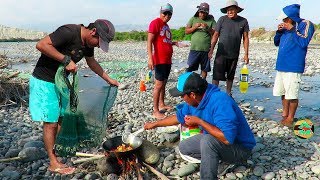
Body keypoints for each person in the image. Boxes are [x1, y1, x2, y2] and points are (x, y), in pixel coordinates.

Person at [29, 19, 120, 175]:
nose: (98, 45)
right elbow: (41, 45)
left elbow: (91, 62)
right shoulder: (69, 32)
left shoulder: (88, 44)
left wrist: (108, 79)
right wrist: (66, 60)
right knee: (50, 121)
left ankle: (56, 151)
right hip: (44, 80)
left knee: (62, 118)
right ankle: (53, 162)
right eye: (99, 41)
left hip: (61, 82)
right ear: (93, 32)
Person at [144, 72, 256, 179]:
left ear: (192, 94)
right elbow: (178, 118)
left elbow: (227, 139)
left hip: (240, 148)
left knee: (208, 141)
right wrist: (155, 124)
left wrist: (199, 122)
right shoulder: (194, 102)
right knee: (184, 147)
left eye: (182, 95)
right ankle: (218, 159)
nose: (181, 98)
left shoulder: (220, 101)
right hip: (217, 140)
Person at [273, 4, 315, 127]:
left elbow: (303, 42)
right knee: (283, 91)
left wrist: (292, 28)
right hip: (281, 65)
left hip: (293, 66)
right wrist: (279, 31)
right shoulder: (286, 28)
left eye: (284, 19)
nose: (283, 21)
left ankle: (291, 118)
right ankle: (284, 114)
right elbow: (276, 42)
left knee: (292, 93)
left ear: (290, 17)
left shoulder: (306, 24)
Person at [208, 0, 249, 96]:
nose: (229, 12)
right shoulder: (222, 19)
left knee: (230, 75)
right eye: (228, 10)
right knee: (216, 75)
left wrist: (246, 54)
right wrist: (211, 50)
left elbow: (246, 38)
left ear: (236, 10)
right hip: (221, 53)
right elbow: (215, 35)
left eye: (231, 10)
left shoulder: (243, 21)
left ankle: (228, 93)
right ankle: (214, 93)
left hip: (234, 53)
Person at [147, 3, 179, 119]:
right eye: (165, 13)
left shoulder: (167, 26)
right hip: (159, 60)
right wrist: (150, 58)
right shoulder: (155, 23)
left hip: (167, 60)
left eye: (169, 13)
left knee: (164, 83)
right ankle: (155, 110)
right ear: (160, 13)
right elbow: (149, 41)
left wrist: (174, 43)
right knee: (158, 85)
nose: (167, 15)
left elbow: (164, 40)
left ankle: (161, 103)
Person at [185, 2, 216, 79]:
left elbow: (215, 33)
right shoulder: (193, 18)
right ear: (198, 11)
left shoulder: (211, 20)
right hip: (194, 49)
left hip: (206, 50)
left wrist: (207, 28)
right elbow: (186, 31)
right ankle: (187, 84)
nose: (202, 14)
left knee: (204, 69)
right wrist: (194, 27)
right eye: (201, 12)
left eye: (204, 13)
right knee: (190, 67)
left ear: (207, 13)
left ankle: (202, 84)